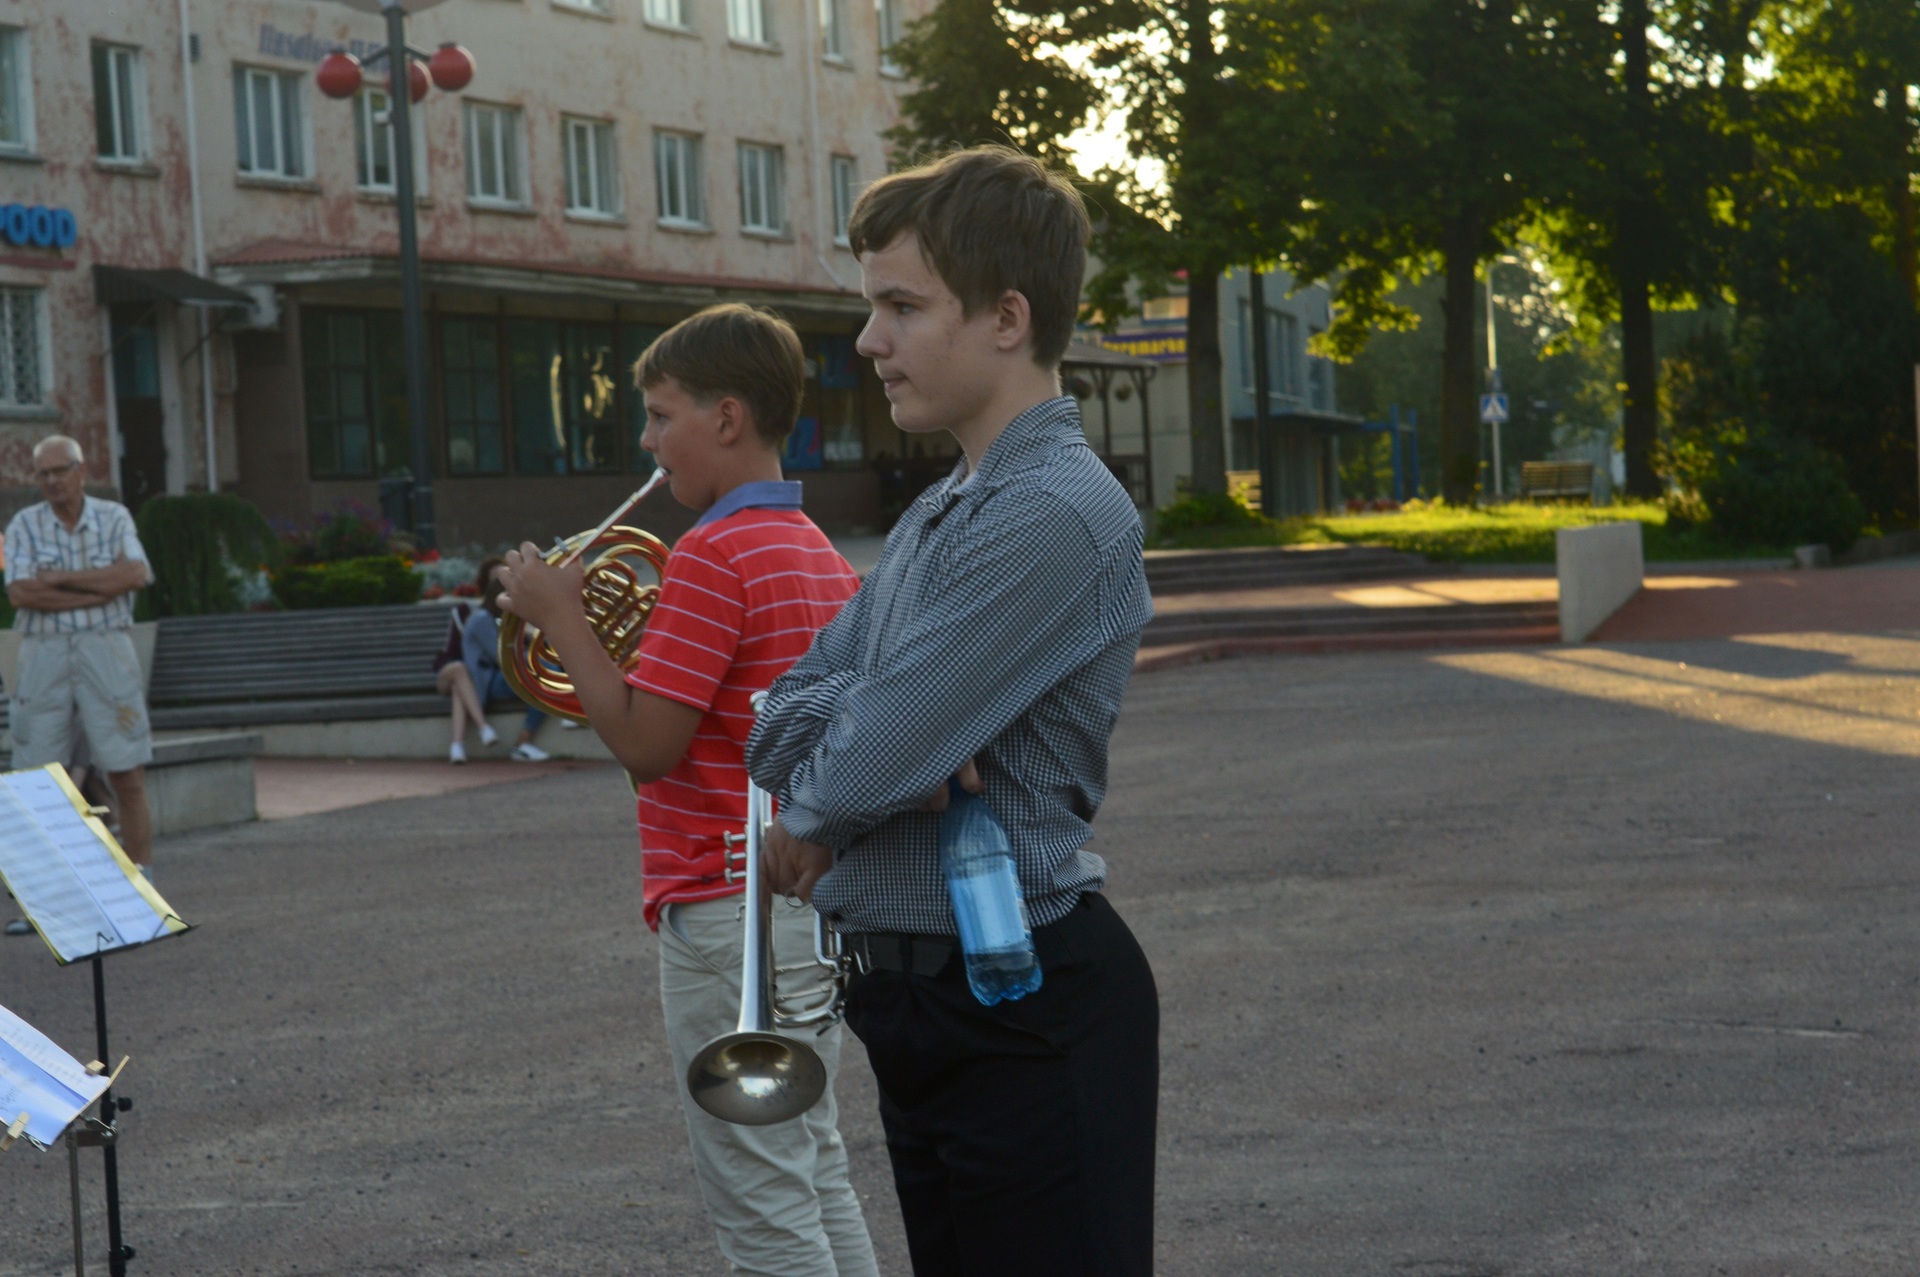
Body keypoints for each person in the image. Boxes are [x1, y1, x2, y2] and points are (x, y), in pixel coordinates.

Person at [744, 145, 1160, 1276]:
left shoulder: (1055, 509)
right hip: (928, 1004)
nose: (867, 340)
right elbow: (779, 719)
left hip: (1019, 1000)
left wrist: (856, 772)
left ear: (1006, 318)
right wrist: (888, 740)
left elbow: (860, 756)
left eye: (901, 307)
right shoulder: (945, 509)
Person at [496, 303, 878, 1277]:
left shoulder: (712, 552)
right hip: (805, 907)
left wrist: (560, 616)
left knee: (759, 1201)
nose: (648, 440)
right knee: (813, 1164)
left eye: (663, 415)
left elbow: (646, 744)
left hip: (724, 907)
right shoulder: (818, 550)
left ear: (727, 417)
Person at [4, 436, 157, 869]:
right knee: (36, 781)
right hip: (44, 653)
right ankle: (47, 892)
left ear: (82, 471)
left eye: (60, 471)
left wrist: (57, 579)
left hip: (106, 649)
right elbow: (20, 593)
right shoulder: (24, 525)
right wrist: (99, 589)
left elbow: (135, 574)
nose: (53, 481)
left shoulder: (114, 517)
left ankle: (141, 883)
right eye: (44, 474)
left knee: (127, 772)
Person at [462, 568, 550, 762]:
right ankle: (522, 744)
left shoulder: (495, 617)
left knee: (547, 675)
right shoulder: (481, 619)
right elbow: (501, 656)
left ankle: (525, 742)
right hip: (488, 682)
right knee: (544, 679)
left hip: (502, 675)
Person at [435, 558, 500, 764]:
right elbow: (453, 649)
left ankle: (457, 746)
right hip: (449, 669)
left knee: (459, 688)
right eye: (495, 578)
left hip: (468, 679)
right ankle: (483, 727)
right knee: (459, 669)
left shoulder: (500, 611)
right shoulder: (468, 610)